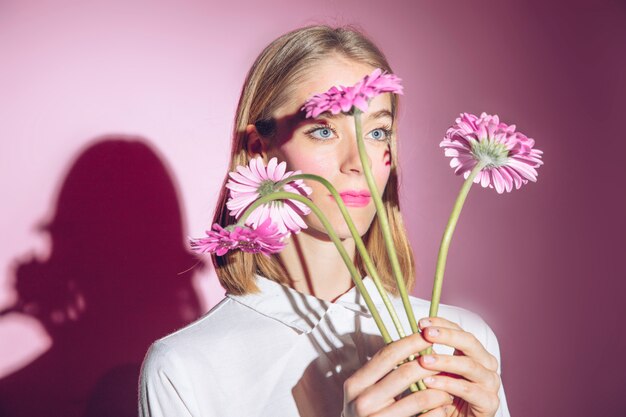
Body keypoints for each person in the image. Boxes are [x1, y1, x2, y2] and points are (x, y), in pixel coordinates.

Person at [138, 25, 511, 417]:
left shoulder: (459, 345)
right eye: (323, 130)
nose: (360, 163)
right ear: (259, 150)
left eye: (378, 131)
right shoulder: (184, 368)